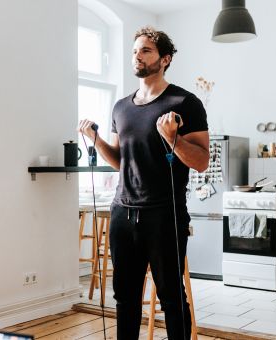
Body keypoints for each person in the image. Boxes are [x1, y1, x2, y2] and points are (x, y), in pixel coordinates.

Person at [78, 26, 209, 340]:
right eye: (135, 50)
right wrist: (96, 140)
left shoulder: (185, 102)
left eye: (146, 50)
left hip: (164, 215)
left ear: (164, 59)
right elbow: (121, 160)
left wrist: (173, 139)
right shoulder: (121, 107)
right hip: (123, 213)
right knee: (125, 298)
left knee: (172, 298)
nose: (137, 56)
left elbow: (201, 162)